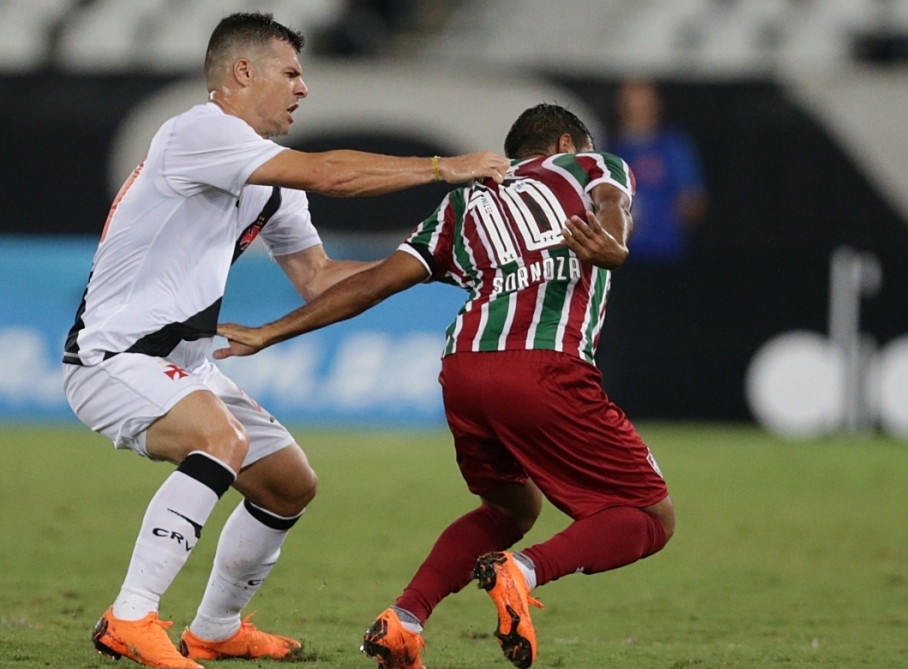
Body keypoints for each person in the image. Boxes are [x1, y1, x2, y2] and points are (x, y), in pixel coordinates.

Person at [62, 12, 507, 669]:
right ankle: (130, 615)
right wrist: (443, 167)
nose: (303, 89)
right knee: (220, 438)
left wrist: (440, 269)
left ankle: (215, 628)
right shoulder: (200, 130)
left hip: (182, 361)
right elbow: (331, 173)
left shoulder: (266, 181)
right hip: (114, 356)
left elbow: (319, 276)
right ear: (243, 73)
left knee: (287, 482)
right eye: (291, 73)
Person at [215, 104, 676, 669]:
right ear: (564, 143)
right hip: (543, 367)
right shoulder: (590, 164)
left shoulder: (464, 202)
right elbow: (614, 203)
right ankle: (523, 571)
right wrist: (615, 243)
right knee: (648, 517)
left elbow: (373, 284)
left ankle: (404, 619)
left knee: (509, 508)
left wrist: (269, 332)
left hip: (462, 368)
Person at [613, 78, 706, 263]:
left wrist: (667, 224)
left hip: (665, 255)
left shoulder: (672, 146)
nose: (637, 105)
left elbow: (693, 199)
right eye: (631, 98)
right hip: (621, 257)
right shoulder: (611, 149)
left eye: (643, 98)